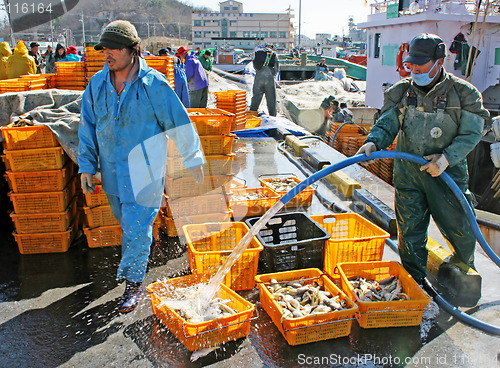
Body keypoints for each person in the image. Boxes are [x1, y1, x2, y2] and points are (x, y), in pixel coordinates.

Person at [78, 20, 205, 313]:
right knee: (129, 226)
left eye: (113, 49)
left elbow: (179, 123)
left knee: (135, 229)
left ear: (132, 50)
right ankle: (141, 252)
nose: (107, 54)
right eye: (104, 49)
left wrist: (193, 159)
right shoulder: (97, 85)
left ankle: (132, 286)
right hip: (112, 173)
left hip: (145, 175)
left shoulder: (154, 85)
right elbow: (87, 127)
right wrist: (87, 166)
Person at [357, 33, 489, 284]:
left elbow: (472, 133)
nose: (414, 68)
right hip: (409, 176)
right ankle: (414, 281)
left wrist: (446, 159)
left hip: (447, 176)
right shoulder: (400, 92)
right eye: (411, 63)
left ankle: (463, 280)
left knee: (459, 229)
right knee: (410, 232)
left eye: (421, 63)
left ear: (439, 62)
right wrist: (373, 141)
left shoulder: (464, 94)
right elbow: (387, 124)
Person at [250, 44, 279, 117]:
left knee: (256, 98)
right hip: (269, 79)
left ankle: (251, 115)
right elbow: (276, 70)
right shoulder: (273, 54)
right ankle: (273, 117)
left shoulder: (258, 53)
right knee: (271, 100)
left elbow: (254, 66)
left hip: (258, 78)